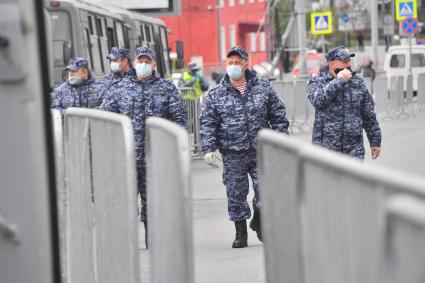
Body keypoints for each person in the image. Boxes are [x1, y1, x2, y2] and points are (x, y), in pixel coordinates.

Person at [200, 46, 289, 248]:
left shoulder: (263, 88)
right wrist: (208, 148)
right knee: (236, 194)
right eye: (230, 63)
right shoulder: (216, 94)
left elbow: (278, 116)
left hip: (261, 151)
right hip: (232, 153)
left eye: (237, 63)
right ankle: (240, 234)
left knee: (266, 190)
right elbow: (208, 122)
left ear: (245, 64)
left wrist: (282, 142)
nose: (233, 66)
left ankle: (260, 221)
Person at [100, 47, 187, 248]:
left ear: (154, 64)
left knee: (153, 202)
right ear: (134, 63)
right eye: (140, 61)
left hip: (155, 156)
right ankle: (127, 242)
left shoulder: (166, 88)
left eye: (148, 61)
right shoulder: (119, 88)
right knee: (125, 201)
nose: (144, 65)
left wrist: (174, 149)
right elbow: (106, 118)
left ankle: (152, 240)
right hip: (126, 156)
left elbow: (179, 119)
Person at [307, 46, 381, 160]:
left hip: (354, 149)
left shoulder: (357, 82)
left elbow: (368, 114)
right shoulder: (317, 81)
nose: (348, 65)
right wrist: (339, 81)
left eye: (349, 61)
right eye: (344, 61)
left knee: (353, 178)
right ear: (332, 63)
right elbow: (318, 101)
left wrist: (375, 140)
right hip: (326, 149)